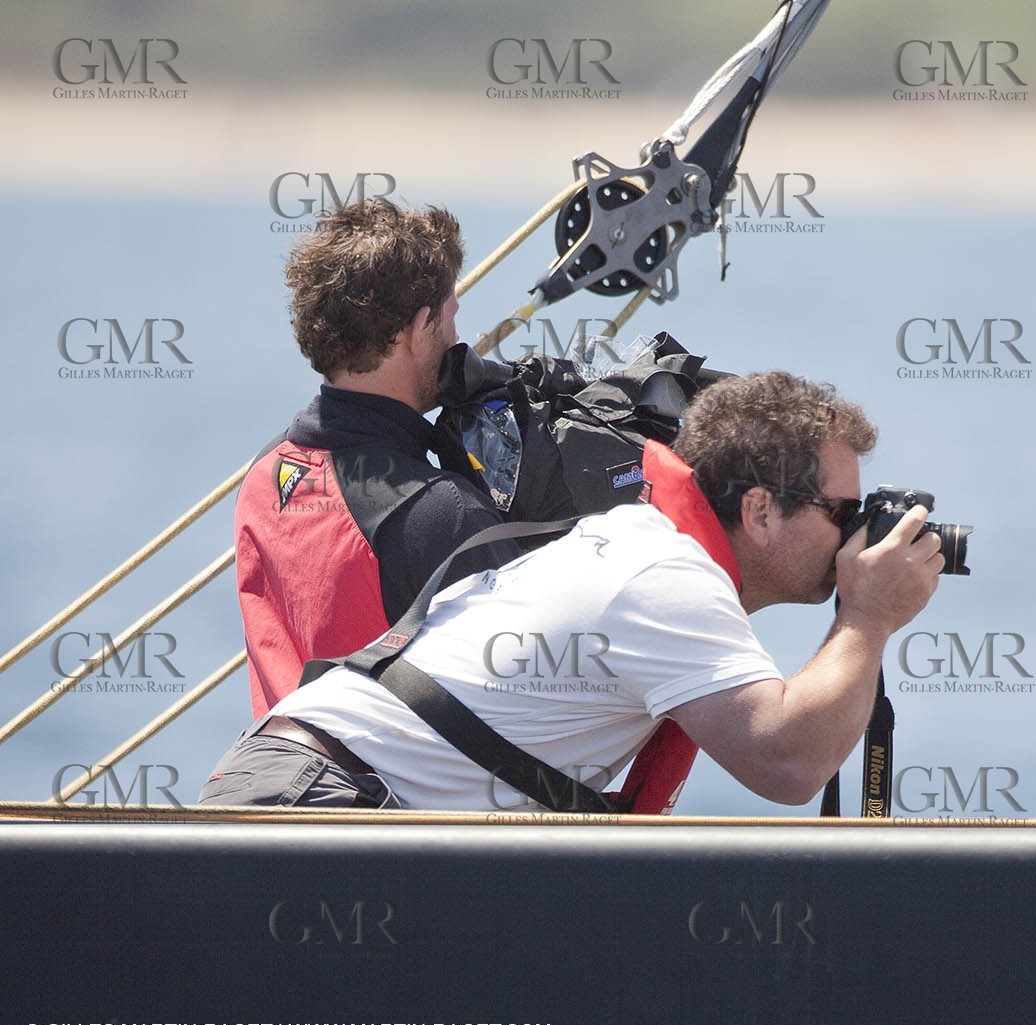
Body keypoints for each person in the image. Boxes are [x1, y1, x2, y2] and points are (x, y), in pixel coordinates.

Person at [199, 371, 944, 810]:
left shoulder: (642, 548)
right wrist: (868, 619)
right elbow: (785, 761)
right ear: (757, 511)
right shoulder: (663, 575)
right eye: (842, 513)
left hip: (307, 786)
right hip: (322, 798)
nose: (857, 535)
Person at [235, 198, 515, 718]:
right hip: (395, 798)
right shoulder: (441, 513)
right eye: (451, 318)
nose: (457, 340)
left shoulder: (265, 473)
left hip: (272, 783)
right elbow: (533, 699)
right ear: (419, 328)